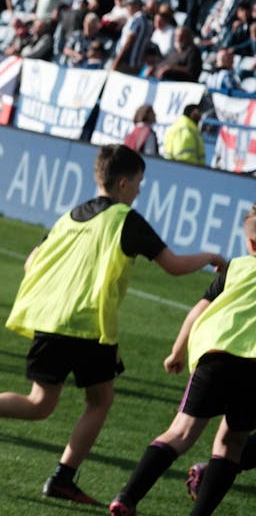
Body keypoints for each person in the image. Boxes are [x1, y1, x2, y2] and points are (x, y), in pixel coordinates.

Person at [0, 145, 225, 505]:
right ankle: (62, 478)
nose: (141, 191)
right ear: (125, 183)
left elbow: (32, 261)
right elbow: (173, 265)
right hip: (88, 325)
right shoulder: (125, 220)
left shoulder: (70, 216)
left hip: (49, 320)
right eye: (140, 183)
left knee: (41, 402)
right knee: (99, 401)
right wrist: (210, 257)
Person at [108, 205, 256, 516]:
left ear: (251, 244)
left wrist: (177, 350)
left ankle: (128, 496)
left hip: (216, 355)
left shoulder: (237, 268)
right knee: (231, 442)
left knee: (180, 432)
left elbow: (197, 311)